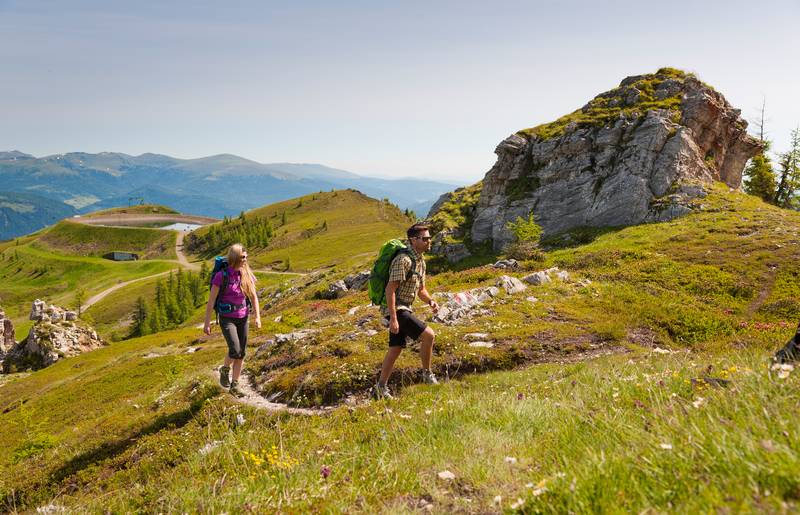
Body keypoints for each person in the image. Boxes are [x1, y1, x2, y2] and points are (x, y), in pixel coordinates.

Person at [375, 223, 440, 399]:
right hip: (397, 309)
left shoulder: (420, 261)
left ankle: (380, 388)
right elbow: (390, 290)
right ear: (413, 240)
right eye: (424, 238)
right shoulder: (403, 260)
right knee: (429, 335)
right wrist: (394, 318)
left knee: (395, 348)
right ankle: (427, 374)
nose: (428, 241)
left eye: (429, 238)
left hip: (404, 308)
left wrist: (430, 301)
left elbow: (421, 290)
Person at [203, 243, 261, 397]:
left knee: (241, 353)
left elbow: (254, 297)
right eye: (243, 257)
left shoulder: (246, 274)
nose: (245, 260)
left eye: (246, 257)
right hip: (227, 318)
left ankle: (235, 385)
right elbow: (211, 301)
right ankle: (225, 369)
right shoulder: (221, 276)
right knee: (235, 350)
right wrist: (207, 322)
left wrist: (257, 317)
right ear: (235, 257)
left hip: (243, 317)